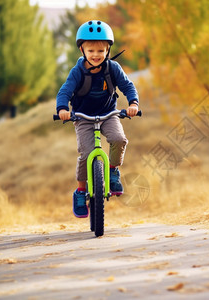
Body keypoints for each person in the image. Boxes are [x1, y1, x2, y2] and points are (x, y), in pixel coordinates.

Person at [56, 20, 139, 218]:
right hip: (83, 117)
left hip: (108, 114)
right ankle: (81, 191)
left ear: (108, 50)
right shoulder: (77, 72)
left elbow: (127, 86)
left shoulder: (113, 68)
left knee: (119, 139)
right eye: (91, 50)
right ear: (82, 50)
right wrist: (62, 109)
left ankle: (112, 171)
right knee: (86, 154)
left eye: (100, 51)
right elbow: (65, 90)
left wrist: (133, 103)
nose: (96, 55)